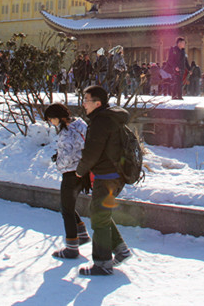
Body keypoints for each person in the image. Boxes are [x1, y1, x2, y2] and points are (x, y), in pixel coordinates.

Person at [75, 85, 132, 276]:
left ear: (97, 103)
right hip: (113, 175)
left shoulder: (101, 122)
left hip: (107, 176)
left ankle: (102, 263)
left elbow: (92, 152)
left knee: (99, 217)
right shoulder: (108, 118)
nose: (83, 104)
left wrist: (80, 171)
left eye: (86, 100)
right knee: (102, 214)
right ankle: (121, 249)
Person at [44, 103, 91, 259]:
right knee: (68, 207)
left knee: (66, 210)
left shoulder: (66, 132)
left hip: (71, 174)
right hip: (83, 172)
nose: (51, 122)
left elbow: (67, 157)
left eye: (51, 119)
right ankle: (82, 234)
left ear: (58, 117)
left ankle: (71, 248)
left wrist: (58, 163)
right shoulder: (80, 123)